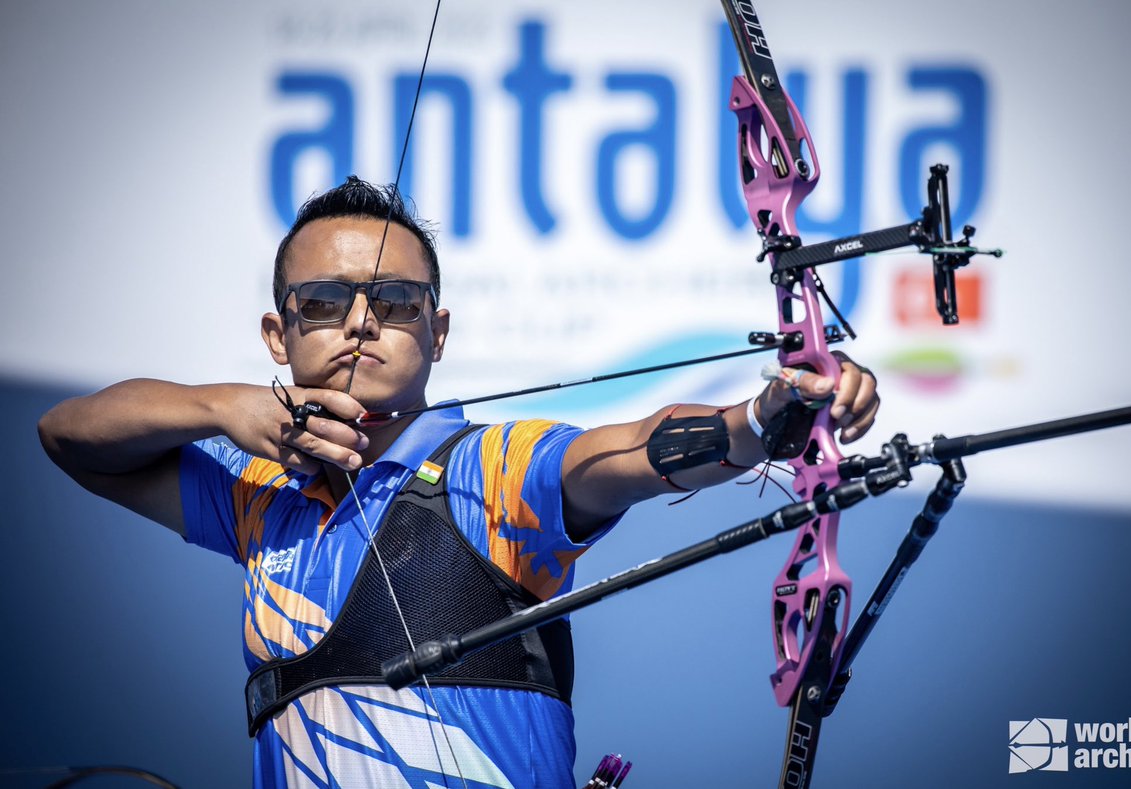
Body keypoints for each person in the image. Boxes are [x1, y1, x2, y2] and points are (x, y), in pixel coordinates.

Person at [38, 177, 879, 788]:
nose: (362, 322)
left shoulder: (496, 467)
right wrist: (225, 407)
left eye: (395, 302)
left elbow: (632, 452)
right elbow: (69, 436)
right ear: (278, 330)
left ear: (437, 332)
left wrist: (765, 416)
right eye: (326, 301)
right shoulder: (259, 495)